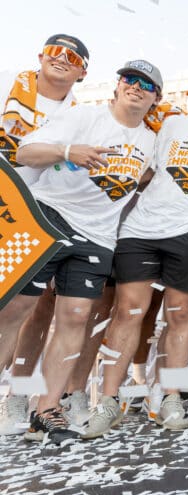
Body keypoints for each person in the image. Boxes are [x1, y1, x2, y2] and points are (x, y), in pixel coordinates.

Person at [82, 80, 188, 437]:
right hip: (141, 229)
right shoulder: (176, 124)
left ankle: (170, 397)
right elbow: (146, 169)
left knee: (179, 315)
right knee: (128, 311)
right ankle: (108, 400)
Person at [11, 59, 160, 444]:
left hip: (98, 237)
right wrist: (67, 151)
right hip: (48, 218)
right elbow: (24, 152)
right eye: (129, 78)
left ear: (155, 98)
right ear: (117, 85)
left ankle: (46, 410)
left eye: (146, 84)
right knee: (16, 309)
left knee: (76, 318)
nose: (136, 86)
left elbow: (154, 174)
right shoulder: (85, 116)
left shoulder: (152, 142)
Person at [0, 33, 89, 435]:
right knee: (11, 310)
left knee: (28, 310)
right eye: (55, 51)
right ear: (40, 56)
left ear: (83, 72)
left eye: (72, 56)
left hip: (37, 213)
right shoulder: (8, 84)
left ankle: (18, 396)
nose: (62, 59)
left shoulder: (80, 114)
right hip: (4, 203)